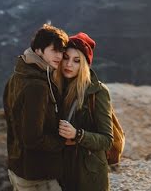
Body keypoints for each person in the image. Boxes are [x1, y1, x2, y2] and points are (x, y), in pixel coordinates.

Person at [3, 23, 70, 191]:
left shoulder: (17, 76)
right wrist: (62, 142)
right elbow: (32, 138)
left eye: (62, 51)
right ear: (39, 50)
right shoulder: (37, 86)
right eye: (54, 50)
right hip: (37, 174)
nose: (60, 56)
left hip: (18, 167)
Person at [54, 32, 114, 191]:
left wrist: (78, 134)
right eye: (66, 57)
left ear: (85, 65)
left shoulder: (98, 92)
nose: (69, 64)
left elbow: (107, 140)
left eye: (76, 61)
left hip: (89, 176)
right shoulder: (57, 88)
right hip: (63, 171)